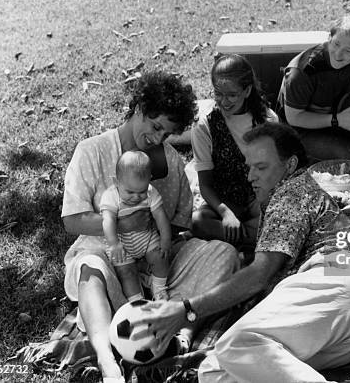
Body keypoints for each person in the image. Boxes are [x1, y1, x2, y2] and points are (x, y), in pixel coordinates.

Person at [129, 122, 350, 383]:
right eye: (249, 167)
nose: (250, 176)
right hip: (349, 327)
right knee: (215, 371)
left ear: (290, 165)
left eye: (261, 167)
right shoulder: (300, 192)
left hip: (335, 282)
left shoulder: (291, 193)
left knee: (235, 345)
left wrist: (186, 310)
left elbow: (259, 274)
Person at [61, 71, 239, 383]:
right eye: (156, 127)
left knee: (224, 253)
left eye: (166, 134)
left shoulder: (169, 160)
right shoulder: (92, 150)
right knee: (88, 267)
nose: (158, 139)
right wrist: (122, 221)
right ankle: (107, 362)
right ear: (140, 107)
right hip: (108, 261)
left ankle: (180, 332)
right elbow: (71, 219)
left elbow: (180, 225)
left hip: (158, 271)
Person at [191, 54, 278, 247]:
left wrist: (262, 203)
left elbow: (275, 173)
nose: (224, 101)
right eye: (218, 94)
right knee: (198, 221)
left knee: (279, 215)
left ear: (247, 91)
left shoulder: (267, 120)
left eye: (232, 95)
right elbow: (205, 185)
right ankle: (260, 239)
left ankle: (242, 238)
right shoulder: (205, 126)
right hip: (226, 202)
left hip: (259, 199)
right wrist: (226, 214)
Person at [275, 12, 350, 168]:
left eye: (348, 51)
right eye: (336, 44)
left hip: (332, 111)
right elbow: (294, 118)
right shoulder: (302, 73)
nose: (339, 54)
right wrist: (338, 120)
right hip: (298, 129)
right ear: (329, 37)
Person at [100, 150, 172, 302]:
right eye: (130, 191)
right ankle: (136, 301)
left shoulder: (151, 193)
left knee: (161, 257)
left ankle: (158, 288)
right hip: (121, 244)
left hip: (146, 238)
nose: (136, 197)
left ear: (149, 181)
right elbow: (108, 220)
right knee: (126, 273)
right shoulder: (111, 196)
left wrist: (165, 240)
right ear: (116, 182)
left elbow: (161, 217)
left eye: (141, 192)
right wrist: (114, 244)